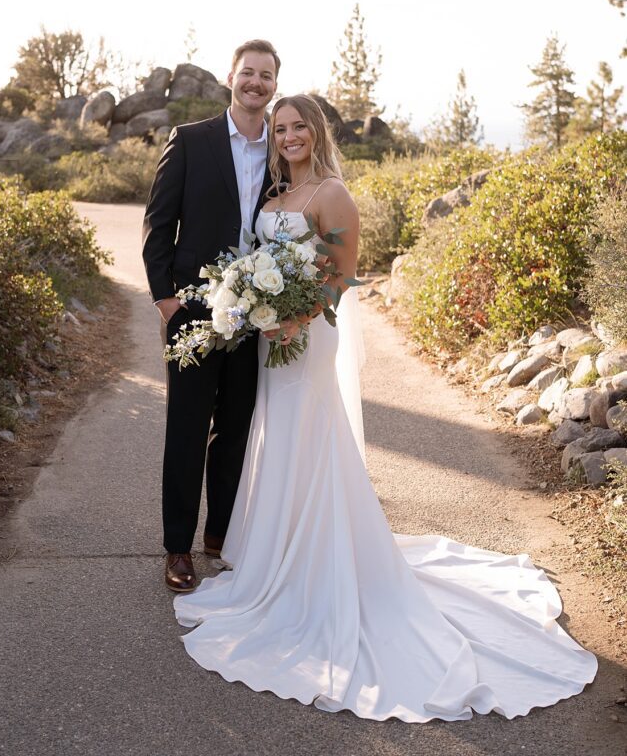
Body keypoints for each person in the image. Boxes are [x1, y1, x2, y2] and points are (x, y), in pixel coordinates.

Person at [173, 94, 598, 724]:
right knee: (275, 440)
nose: (288, 136)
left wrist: (296, 317)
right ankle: (274, 558)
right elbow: (260, 259)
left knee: (310, 441)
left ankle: (319, 568)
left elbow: (344, 274)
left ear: (316, 132)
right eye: (281, 128)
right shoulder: (272, 196)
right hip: (268, 340)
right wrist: (247, 303)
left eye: (298, 127)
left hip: (304, 338)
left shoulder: (332, 194)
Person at [142, 39, 279, 593]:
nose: (256, 83)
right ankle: (178, 547)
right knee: (187, 430)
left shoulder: (283, 149)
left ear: (275, 84)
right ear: (230, 78)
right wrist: (166, 300)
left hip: (256, 315)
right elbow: (158, 222)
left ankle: (220, 535)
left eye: (266, 76)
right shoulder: (192, 141)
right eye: (248, 73)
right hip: (193, 312)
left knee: (236, 430)